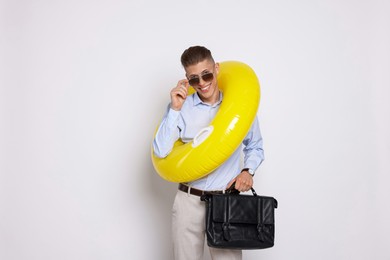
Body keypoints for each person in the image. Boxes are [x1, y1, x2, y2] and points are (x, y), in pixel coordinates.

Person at [152, 46, 264, 260]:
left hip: (225, 202)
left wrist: (247, 171)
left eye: (207, 75)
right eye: (194, 79)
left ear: (217, 69)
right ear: (187, 79)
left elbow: (255, 146)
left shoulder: (238, 107)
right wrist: (175, 108)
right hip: (189, 201)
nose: (202, 83)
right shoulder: (182, 109)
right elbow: (161, 150)